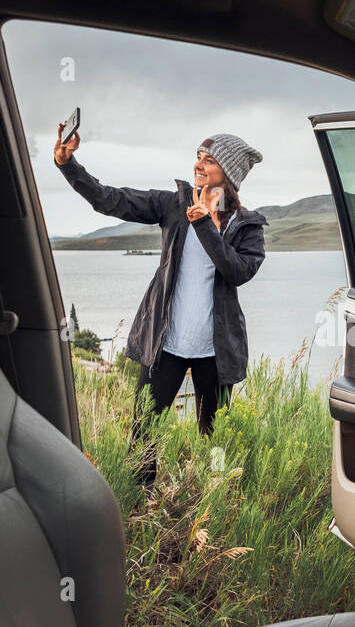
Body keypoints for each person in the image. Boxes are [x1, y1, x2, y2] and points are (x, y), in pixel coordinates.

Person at [53, 124, 266, 488]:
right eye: (198, 157)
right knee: (143, 429)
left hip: (216, 352)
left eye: (209, 160)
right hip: (165, 344)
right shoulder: (172, 204)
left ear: (228, 173)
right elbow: (110, 199)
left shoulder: (247, 226)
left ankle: (213, 498)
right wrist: (68, 165)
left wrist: (205, 225)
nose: (199, 165)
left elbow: (238, 271)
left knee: (215, 436)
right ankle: (140, 497)